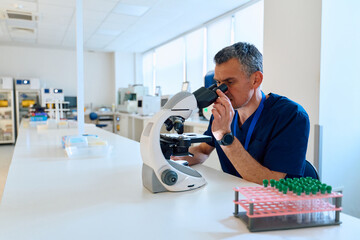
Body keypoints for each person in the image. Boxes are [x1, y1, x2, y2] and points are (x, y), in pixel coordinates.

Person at [176, 42, 310, 185]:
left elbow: (271, 182)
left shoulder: (291, 116)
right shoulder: (224, 112)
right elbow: (203, 150)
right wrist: (172, 160)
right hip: (234, 196)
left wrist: (225, 136)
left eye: (229, 82)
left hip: (277, 202)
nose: (221, 91)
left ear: (256, 80)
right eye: (218, 82)